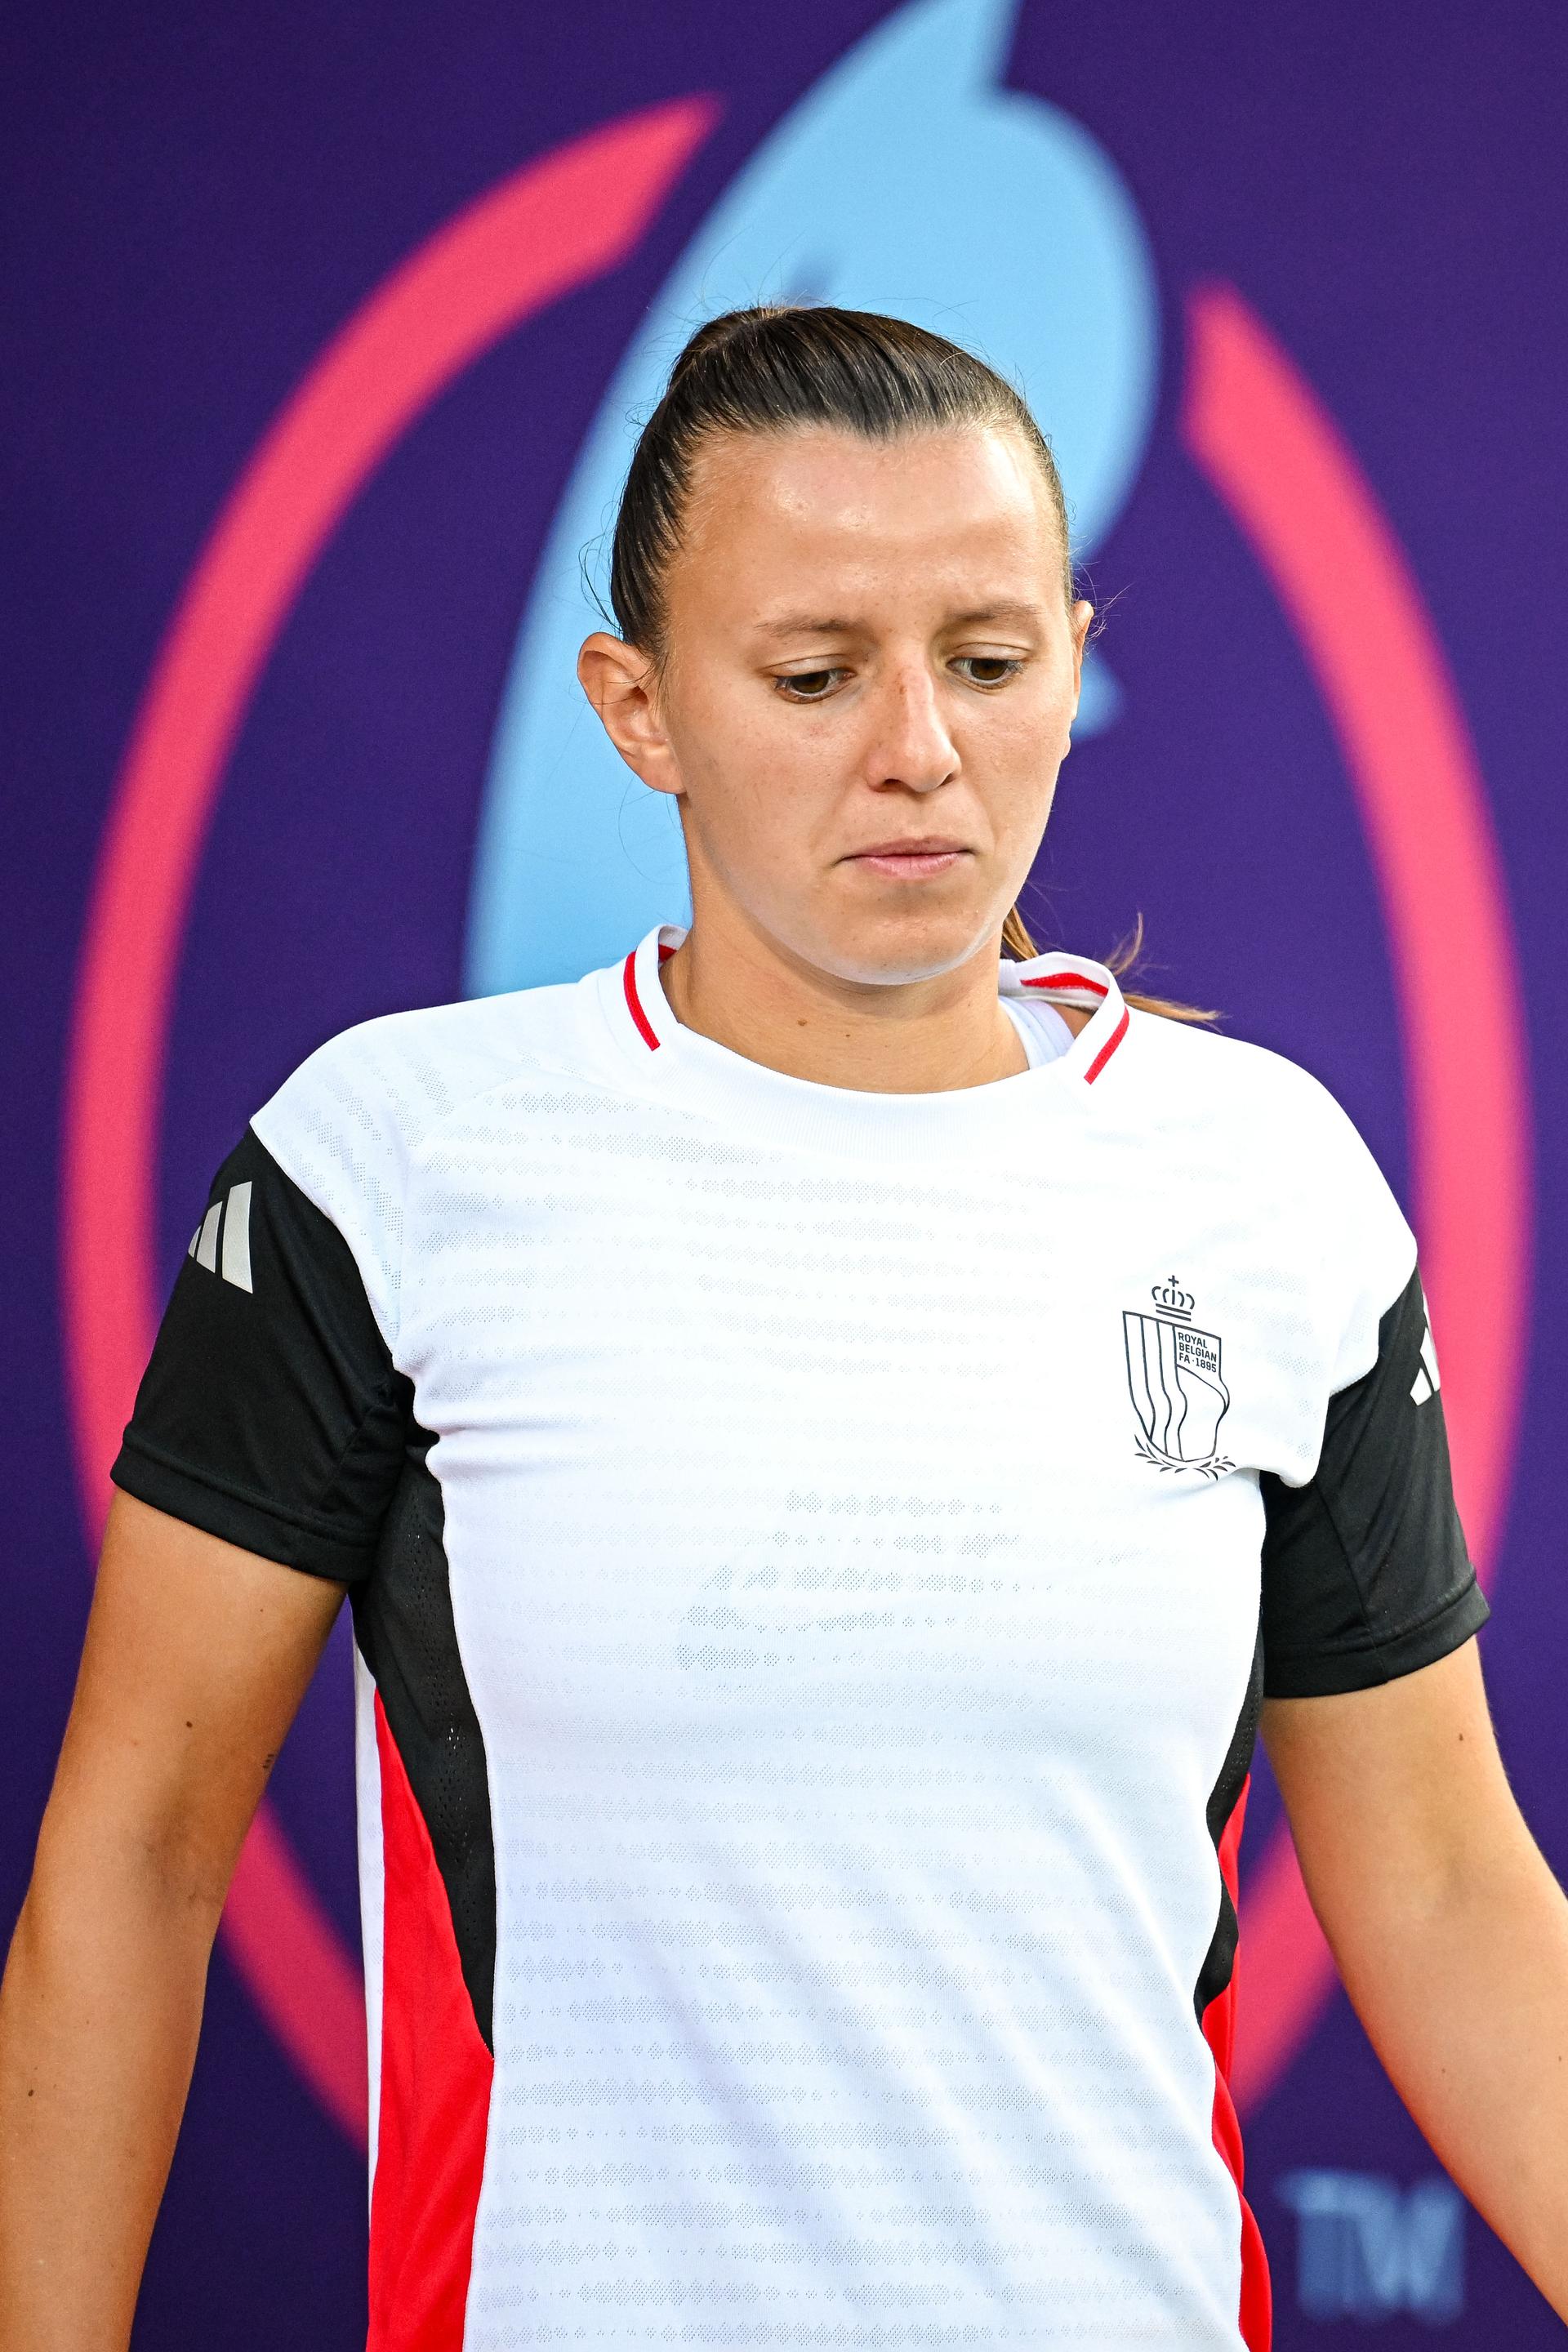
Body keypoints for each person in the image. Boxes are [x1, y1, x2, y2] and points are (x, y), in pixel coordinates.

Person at [2, 304, 1565, 2352]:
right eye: (815, 673)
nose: (917, 744)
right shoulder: (389, 1166)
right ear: (636, 707)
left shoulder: (1266, 1186)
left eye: (991, 662)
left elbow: (1451, 1899)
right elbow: (128, 1865)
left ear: (1075, 661)